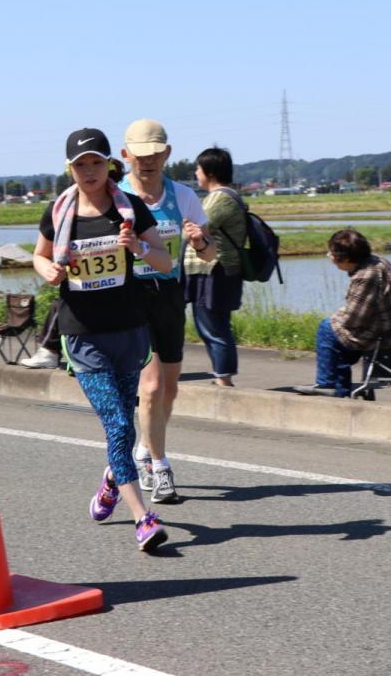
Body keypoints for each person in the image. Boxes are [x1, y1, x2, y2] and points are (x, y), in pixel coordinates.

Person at [34, 127, 173, 552]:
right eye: (81, 164)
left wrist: (139, 248)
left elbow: (165, 261)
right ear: (69, 168)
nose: (89, 170)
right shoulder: (59, 213)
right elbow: (39, 256)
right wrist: (51, 272)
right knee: (116, 423)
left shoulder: (128, 209)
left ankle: (113, 477)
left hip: (128, 329)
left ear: (110, 164)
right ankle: (143, 518)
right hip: (82, 334)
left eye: (96, 162)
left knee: (124, 428)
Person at [118, 119, 216, 504]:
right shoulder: (118, 195)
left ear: (168, 153)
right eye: (141, 155)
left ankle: (145, 447)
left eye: (156, 153)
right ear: (126, 156)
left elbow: (210, 254)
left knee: (170, 388)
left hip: (169, 295)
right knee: (152, 385)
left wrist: (200, 239)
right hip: (129, 297)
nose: (148, 161)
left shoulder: (182, 196)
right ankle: (158, 466)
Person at [293, 229, 391, 397]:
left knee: (326, 329)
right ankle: (342, 393)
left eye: (332, 254)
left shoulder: (366, 276)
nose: (330, 257)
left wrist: (335, 318)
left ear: (347, 258)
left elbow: (353, 320)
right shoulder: (375, 261)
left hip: (386, 334)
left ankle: (326, 384)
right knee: (338, 340)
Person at [184, 146, 247, 388]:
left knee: (213, 326)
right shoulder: (223, 196)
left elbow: (197, 228)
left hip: (215, 270)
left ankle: (223, 378)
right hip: (212, 270)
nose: (196, 173)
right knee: (211, 324)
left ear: (209, 172)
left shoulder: (220, 198)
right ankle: (222, 376)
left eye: (198, 169)